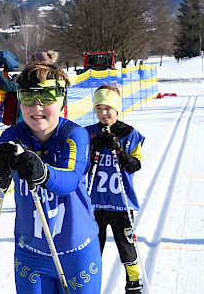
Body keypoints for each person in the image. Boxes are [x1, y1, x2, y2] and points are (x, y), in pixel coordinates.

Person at [0, 62, 102, 293]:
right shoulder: (12, 136)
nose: (36, 107)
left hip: (76, 252)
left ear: (61, 101)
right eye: (27, 98)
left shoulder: (74, 135)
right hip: (31, 254)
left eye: (46, 97)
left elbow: (68, 181)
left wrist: (43, 172)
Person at [85, 84, 145, 294]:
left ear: (117, 109)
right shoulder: (88, 134)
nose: (103, 113)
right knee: (93, 248)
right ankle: (89, 283)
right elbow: (82, 168)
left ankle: (134, 282)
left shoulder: (130, 134)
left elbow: (134, 165)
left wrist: (120, 150)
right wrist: (93, 149)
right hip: (95, 202)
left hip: (121, 203)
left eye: (108, 108)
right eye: (98, 108)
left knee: (126, 246)